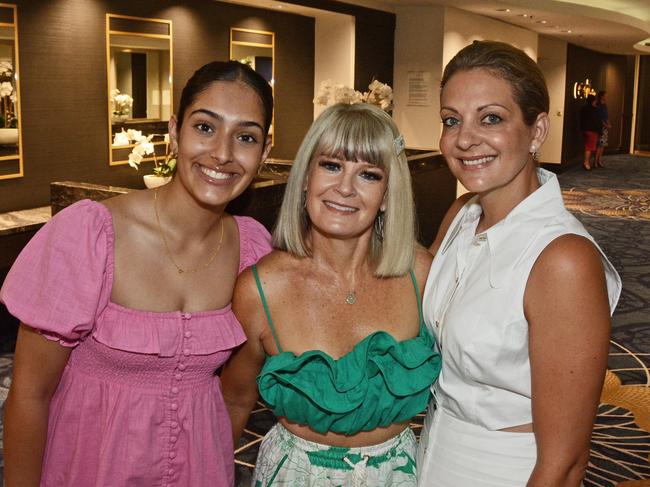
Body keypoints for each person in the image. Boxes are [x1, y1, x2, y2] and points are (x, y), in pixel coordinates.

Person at [1, 60, 274, 487]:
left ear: (265, 151)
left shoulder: (251, 250)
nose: (222, 153)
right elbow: (29, 395)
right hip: (91, 466)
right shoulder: (90, 235)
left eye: (245, 137)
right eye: (205, 127)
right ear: (174, 132)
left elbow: (236, 395)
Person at [417, 41, 621, 487]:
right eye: (451, 120)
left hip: (507, 472)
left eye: (491, 118)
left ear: (537, 130)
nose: (464, 139)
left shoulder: (563, 260)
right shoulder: (461, 215)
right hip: (431, 453)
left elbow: (565, 463)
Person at [221, 103, 441, 485]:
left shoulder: (419, 274)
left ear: (387, 195)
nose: (345, 188)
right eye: (332, 165)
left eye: (369, 175)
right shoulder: (261, 289)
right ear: (306, 177)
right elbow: (235, 401)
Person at [579, 93, 601, 170]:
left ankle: (586, 162)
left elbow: (581, 119)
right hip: (592, 130)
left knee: (588, 146)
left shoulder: (584, 108)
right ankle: (586, 162)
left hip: (585, 130)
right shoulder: (594, 110)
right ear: (593, 101)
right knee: (589, 147)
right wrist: (599, 130)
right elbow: (597, 121)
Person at [595, 90, 611, 168]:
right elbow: (599, 117)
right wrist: (605, 124)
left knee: (603, 145)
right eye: (605, 95)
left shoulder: (605, 105)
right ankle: (595, 161)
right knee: (599, 145)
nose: (607, 97)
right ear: (601, 96)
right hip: (600, 127)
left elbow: (606, 116)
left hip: (605, 128)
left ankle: (599, 160)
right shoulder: (598, 105)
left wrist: (608, 124)